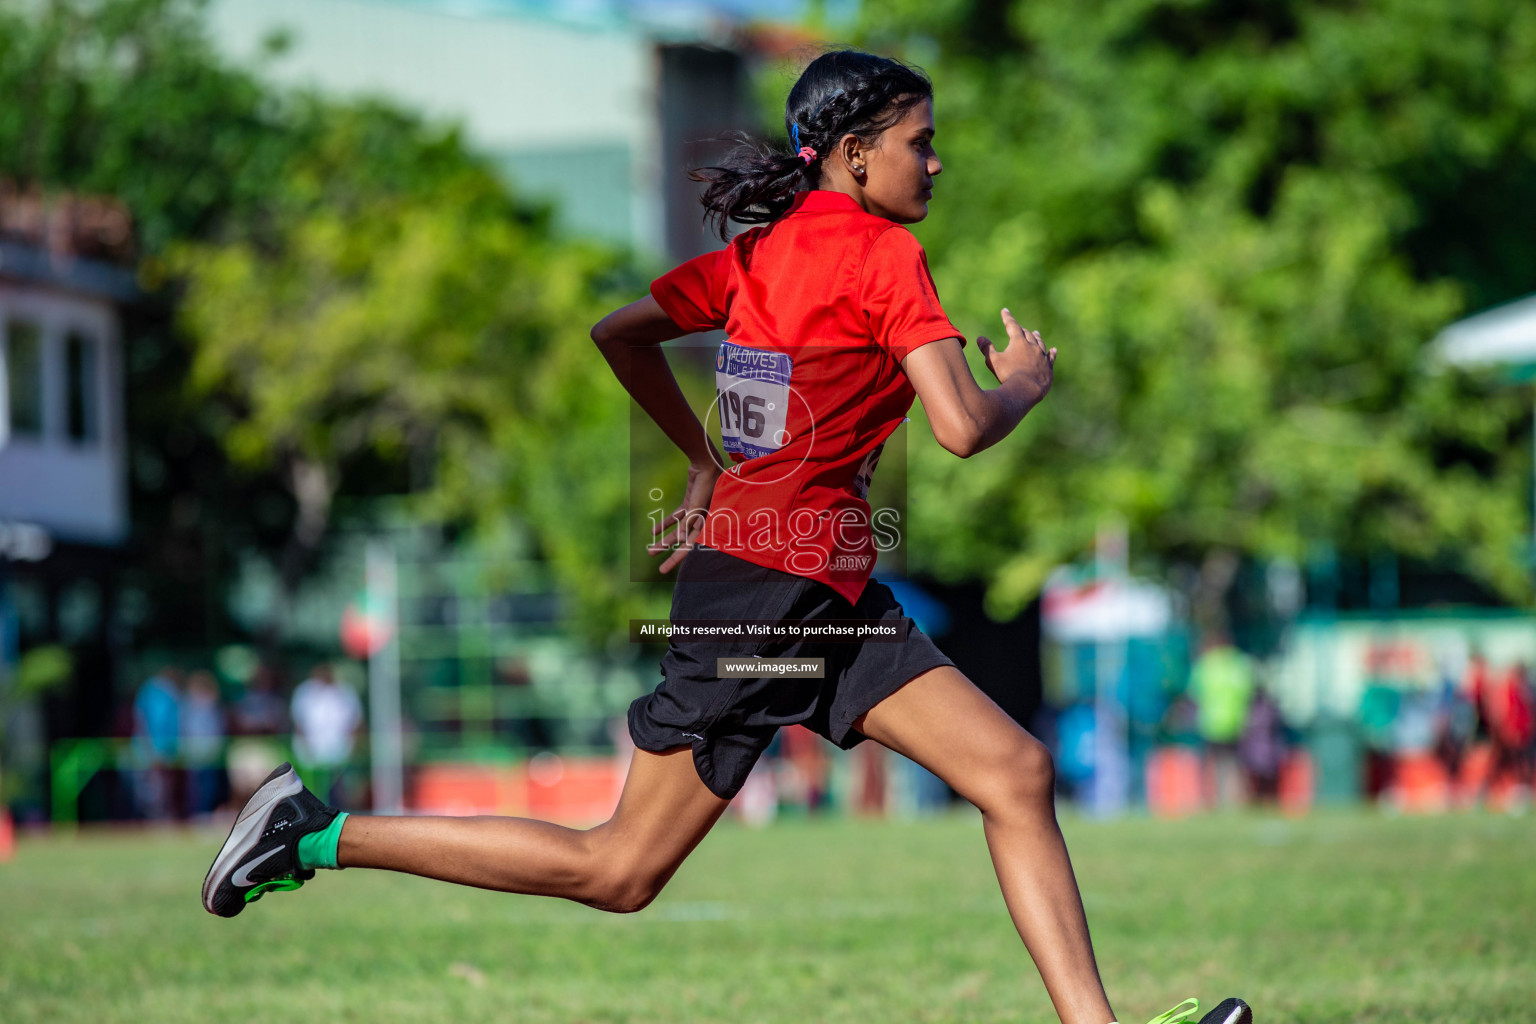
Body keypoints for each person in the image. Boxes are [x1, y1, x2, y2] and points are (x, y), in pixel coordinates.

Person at [203, 50, 1250, 1024]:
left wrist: (707, 461)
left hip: (818, 590)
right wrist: (1022, 381)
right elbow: (963, 426)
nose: (935, 160)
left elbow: (621, 334)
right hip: (763, 593)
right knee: (617, 870)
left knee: (1014, 771)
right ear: (853, 154)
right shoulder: (885, 254)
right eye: (918, 141)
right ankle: (314, 833)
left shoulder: (761, 255)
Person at [289, 663, 364, 805]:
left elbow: (355, 721)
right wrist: (305, 746)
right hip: (311, 751)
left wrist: (351, 746)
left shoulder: (345, 691)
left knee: (338, 789)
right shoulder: (305, 692)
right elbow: (299, 721)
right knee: (313, 788)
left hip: (339, 750)